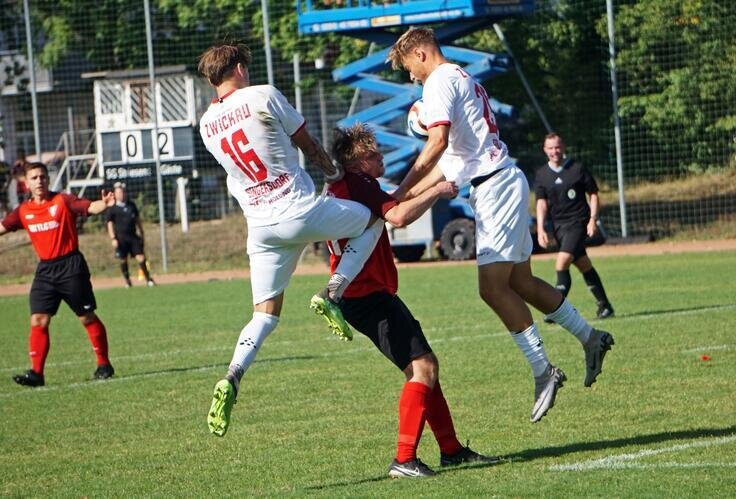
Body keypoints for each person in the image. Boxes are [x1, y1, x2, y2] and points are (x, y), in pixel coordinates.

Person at [388, 27, 614, 423]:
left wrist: (401, 186)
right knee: (520, 284)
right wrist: (402, 194)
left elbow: (437, 142)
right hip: (499, 182)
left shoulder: (439, 80)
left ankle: (544, 371)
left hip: (496, 188)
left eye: (409, 67)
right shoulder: (460, 77)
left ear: (421, 54)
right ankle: (591, 338)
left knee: (492, 288)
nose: (411, 77)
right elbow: (448, 162)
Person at [197, 42, 385, 437]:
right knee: (373, 221)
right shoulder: (262, 94)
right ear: (239, 69)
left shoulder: (205, 124)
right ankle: (333, 291)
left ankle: (232, 375)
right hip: (298, 211)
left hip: (261, 228)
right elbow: (308, 143)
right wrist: (335, 175)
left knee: (264, 314)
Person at [329, 124, 497, 477]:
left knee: (424, 369)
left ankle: (451, 451)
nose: (380, 157)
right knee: (424, 370)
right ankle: (404, 459)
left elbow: (395, 200)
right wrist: (437, 190)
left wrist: (431, 183)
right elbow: (400, 216)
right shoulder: (360, 185)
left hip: (363, 293)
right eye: (374, 154)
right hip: (367, 294)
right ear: (359, 161)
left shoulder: (346, 187)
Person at [0, 161, 116, 387]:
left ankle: (104, 364)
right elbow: (3, 226)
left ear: (48, 179)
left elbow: (89, 207)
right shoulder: (24, 211)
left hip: (71, 266)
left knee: (86, 317)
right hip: (45, 270)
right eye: (34, 178)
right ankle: (36, 373)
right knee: (39, 319)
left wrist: (105, 203)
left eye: (42, 176)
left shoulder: (62, 201)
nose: (39, 181)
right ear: (26, 183)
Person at [535, 134, 614, 319]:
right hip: (559, 227)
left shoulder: (577, 168)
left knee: (562, 262)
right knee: (584, 265)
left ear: (563, 147)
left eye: (557, 147)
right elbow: (541, 203)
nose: (555, 151)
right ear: (545, 150)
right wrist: (540, 228)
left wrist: (592, 219)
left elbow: (593, 194)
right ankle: (605, 306)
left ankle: (555, 310)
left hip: (578, 222)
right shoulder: (542, 174)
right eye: (550, 148)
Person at [105, 182, 155, 288]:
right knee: (123, 259)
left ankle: (148, 279)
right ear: (115, 194)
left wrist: (142, 233)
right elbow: (109, 224)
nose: (121, 194)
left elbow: (138, 220)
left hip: (133, 236)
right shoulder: (112, 208)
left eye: (122, 192)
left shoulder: (131, 205)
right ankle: (127, 281)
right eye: (118, 192)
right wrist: (113, 238)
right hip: (121, 238)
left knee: (141, 257)